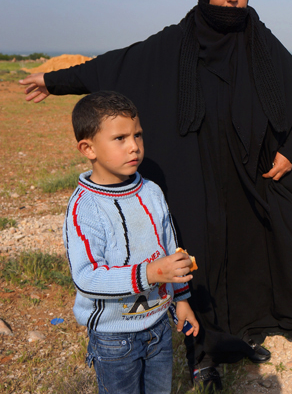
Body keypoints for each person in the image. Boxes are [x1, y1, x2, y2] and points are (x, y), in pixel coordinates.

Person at [21, 0, 292, 391]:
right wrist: (53, 81)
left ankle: (240, 336)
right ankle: (202, 353)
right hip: (192, 176)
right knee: (197, 256)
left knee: (247, 253)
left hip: (246, 177)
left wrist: (289, 152)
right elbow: (115, 65)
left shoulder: (263, 44)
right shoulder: (176, 42)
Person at [65, 90, 200, 394]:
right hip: (114, 339)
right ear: (88, 148)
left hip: (158, 328)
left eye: (137, 136)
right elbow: (86, 278)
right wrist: (149, 274)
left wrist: (182, 299)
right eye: (120, 138)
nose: (134, 147)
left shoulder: (151, 191)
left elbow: (170, 250)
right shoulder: (85, 208)